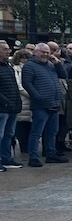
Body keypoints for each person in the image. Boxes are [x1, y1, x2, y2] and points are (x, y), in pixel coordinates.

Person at [21, 43, 68, 167]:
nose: (46, 54)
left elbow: (63, 75)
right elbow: (27, 83)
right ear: (35, 52)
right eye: (43, 52)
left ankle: (51, 154)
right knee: (37, 132)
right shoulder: (29, 66)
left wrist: (57, 63)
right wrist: (37, 96)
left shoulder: (51, 65)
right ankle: (33, 157)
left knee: (52, 131)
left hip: (54, 102)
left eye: (47, 52)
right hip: (40, 105)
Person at [0, 41, 23, 171]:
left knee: (9, 134)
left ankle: (6, 158)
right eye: (5, 49)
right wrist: (5, 101)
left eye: (8, 49)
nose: (8, 51)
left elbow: (14, 86)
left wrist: (16, 102)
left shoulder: (8, 66)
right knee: (0, 134)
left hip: (12, 106)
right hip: (3, 107)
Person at [12, 49, 32, 157]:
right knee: (21, 124)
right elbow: (19, 86)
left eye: (27, 57)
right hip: (22, 99)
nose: (25, 60)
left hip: (31, 102)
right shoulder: (16, 69)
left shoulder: (30, 68)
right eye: (23, 57)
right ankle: (24, 147)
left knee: (29, 124)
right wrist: (30, 94)